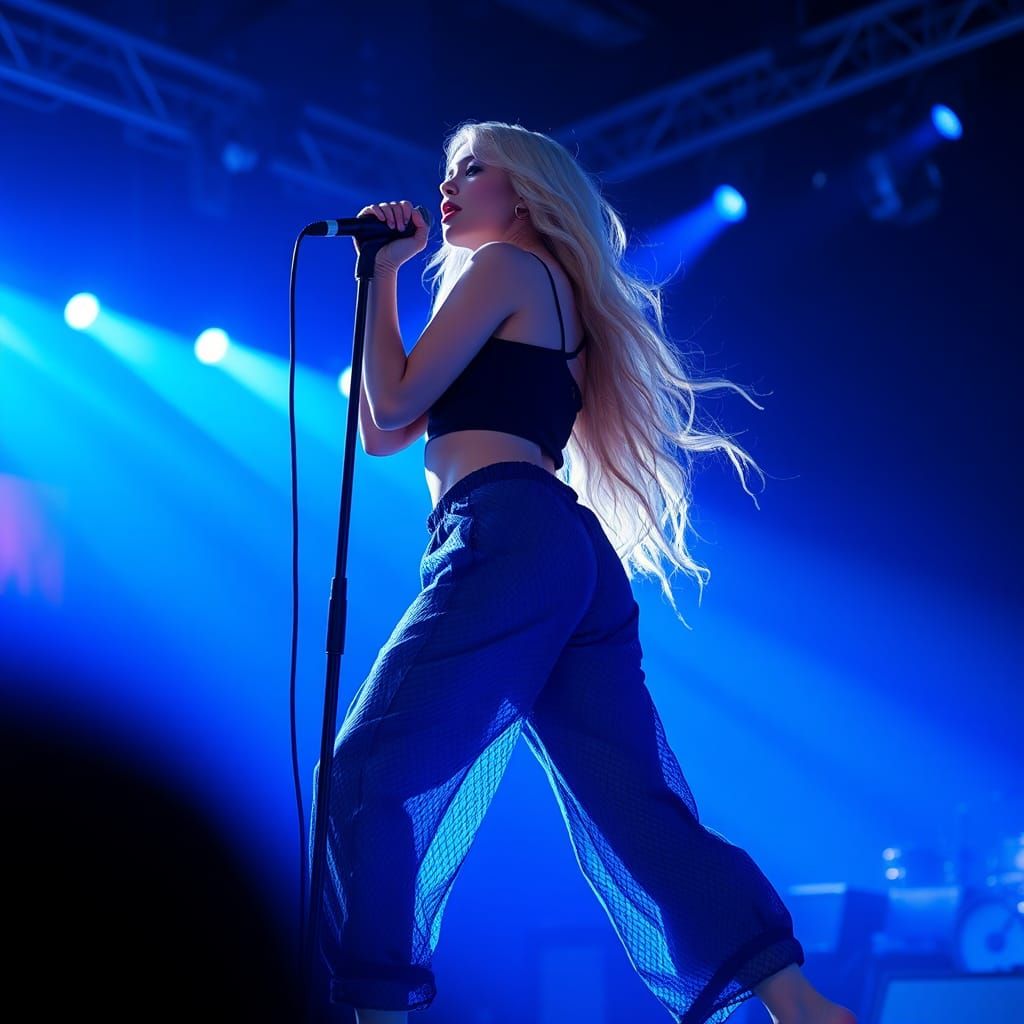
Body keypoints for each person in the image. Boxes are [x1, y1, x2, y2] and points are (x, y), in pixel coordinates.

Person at [309, 120, 858, 1024]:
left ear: (523, 191)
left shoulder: (504, 270)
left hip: (504, 536)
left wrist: (383, 271)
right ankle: (797, 1001)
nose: (448, 185)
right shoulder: (538, 285)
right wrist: (391, 277)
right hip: (562, 554)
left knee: (369, 773)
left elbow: (391, 403)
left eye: (472, 168)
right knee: (631, 801)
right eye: (445, 168)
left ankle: (377, 1009)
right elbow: (382, 429)